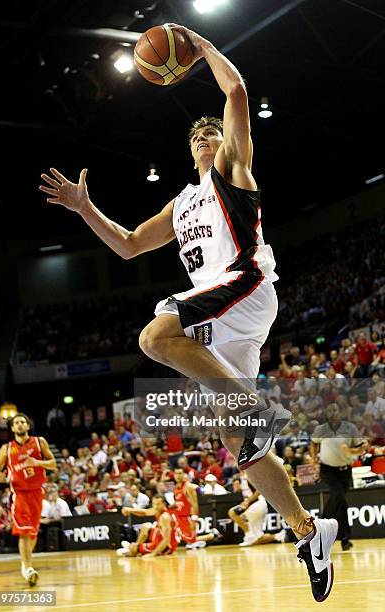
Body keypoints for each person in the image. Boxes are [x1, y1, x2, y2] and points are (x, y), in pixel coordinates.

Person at [39, 24, 337, 601]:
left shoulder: (234, 172)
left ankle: (255, 407)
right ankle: (308, 530)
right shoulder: (182, 202)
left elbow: (237, 95)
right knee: (239, 445)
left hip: (243, 286)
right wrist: (84, 208)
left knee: (155, 337)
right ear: (188, 149)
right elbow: (127, 245)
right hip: (221, 317)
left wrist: (199, 47)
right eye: (197, 136)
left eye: (212, 133)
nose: (206, 138)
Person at [0, 413, 56, 585]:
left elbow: (53, 463)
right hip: (19, 493)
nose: (20, 425)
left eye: (23, 422)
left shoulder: (39, 442)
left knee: (33, 533)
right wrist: (1, 478)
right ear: (12, 428)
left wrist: (37, 462)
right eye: (16, 423)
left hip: (37, 492)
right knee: (24, 532)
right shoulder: (6, 448)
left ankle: (25, 565)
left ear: (28, 426)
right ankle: (28, 568)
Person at [310, 404, 368, 551]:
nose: (333, 413)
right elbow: (313, 443)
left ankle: (318, 531)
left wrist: (350, 450)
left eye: (336, 410)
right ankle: (345, 538)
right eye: (330, 410)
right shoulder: (321, 429)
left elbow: (362, 449)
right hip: (327, 470)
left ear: (341, 412)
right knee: (340, 499)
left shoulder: (350, 428)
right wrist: (313, 459)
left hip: (345, 472)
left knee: (335, 501)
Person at [172, 467, 221, 549]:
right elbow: (178, 503)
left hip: (188, 516)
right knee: (185, 539)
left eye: (180, 473)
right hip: (179, 516)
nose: (178, 476)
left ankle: (212, 535)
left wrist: (194, 518)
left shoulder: (188, 487)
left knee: (190, 540)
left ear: (184, 475)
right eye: (176, 473)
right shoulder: (176, 488)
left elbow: (194, 503)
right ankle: (202, 542)